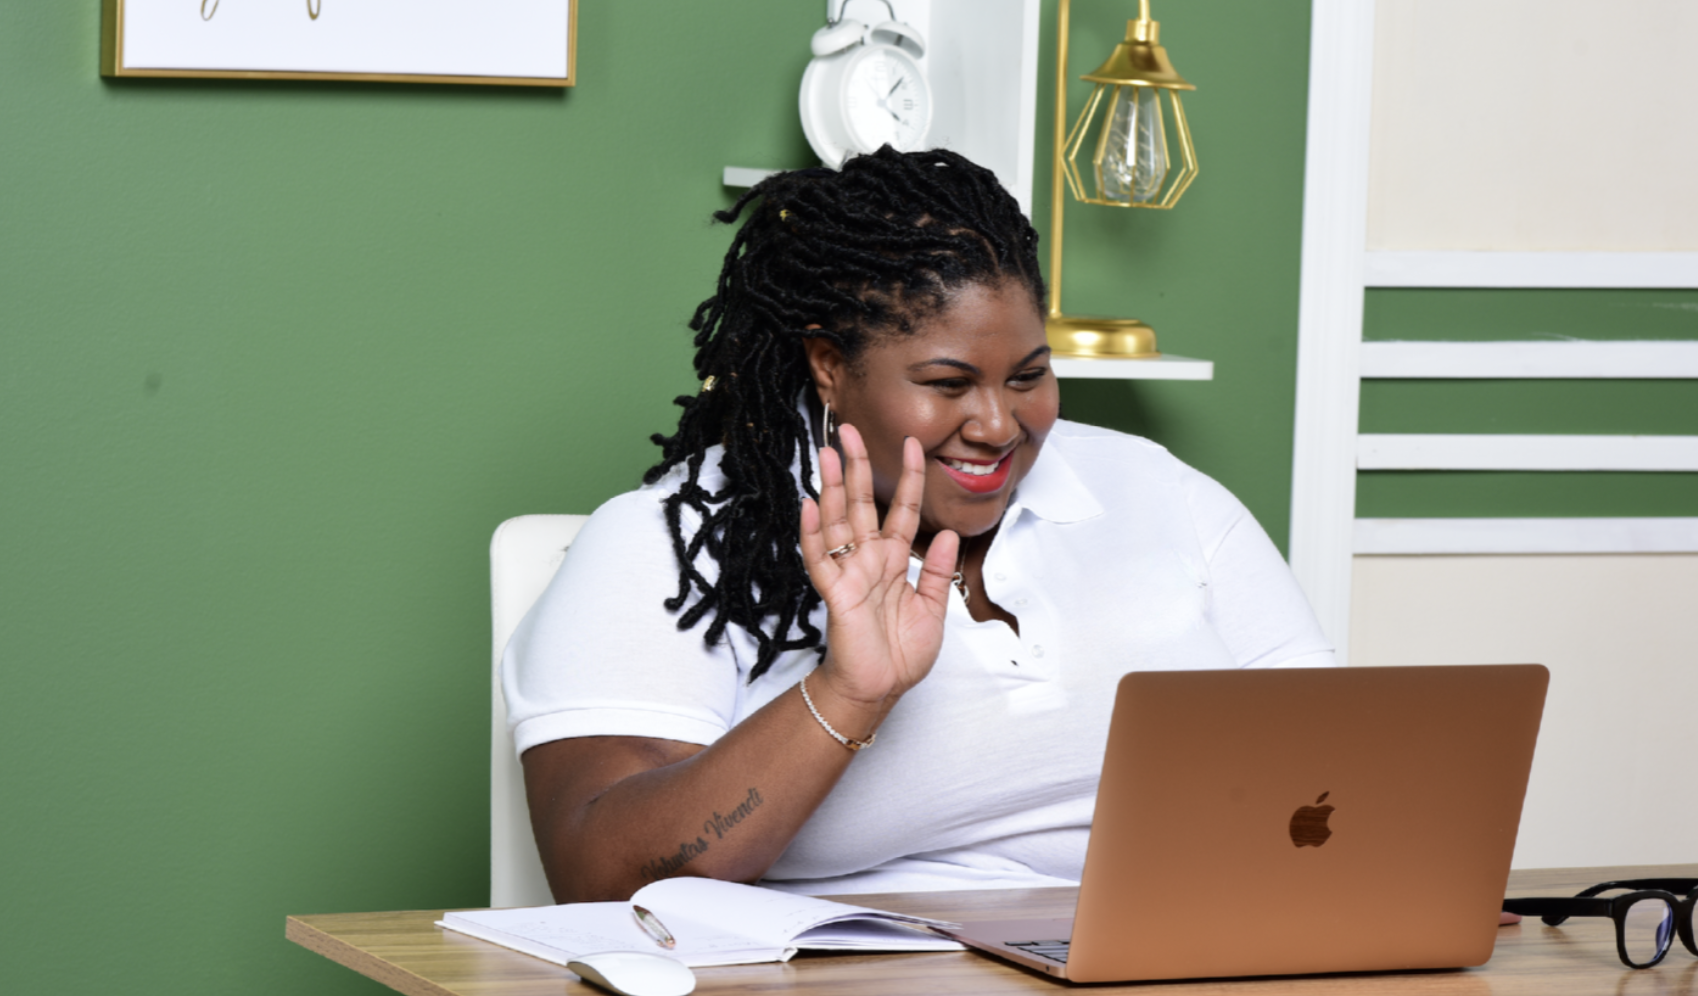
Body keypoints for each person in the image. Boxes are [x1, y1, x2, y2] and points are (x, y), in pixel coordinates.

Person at [504, 147, 1333, 904]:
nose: (998, 424)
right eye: (948, 382)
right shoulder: (676, 544)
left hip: (1184, 944)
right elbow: (599, 872)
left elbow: (1338, 768)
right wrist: (848, 693)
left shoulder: (1159, 490)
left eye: (1029, 376)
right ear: (830, 366)